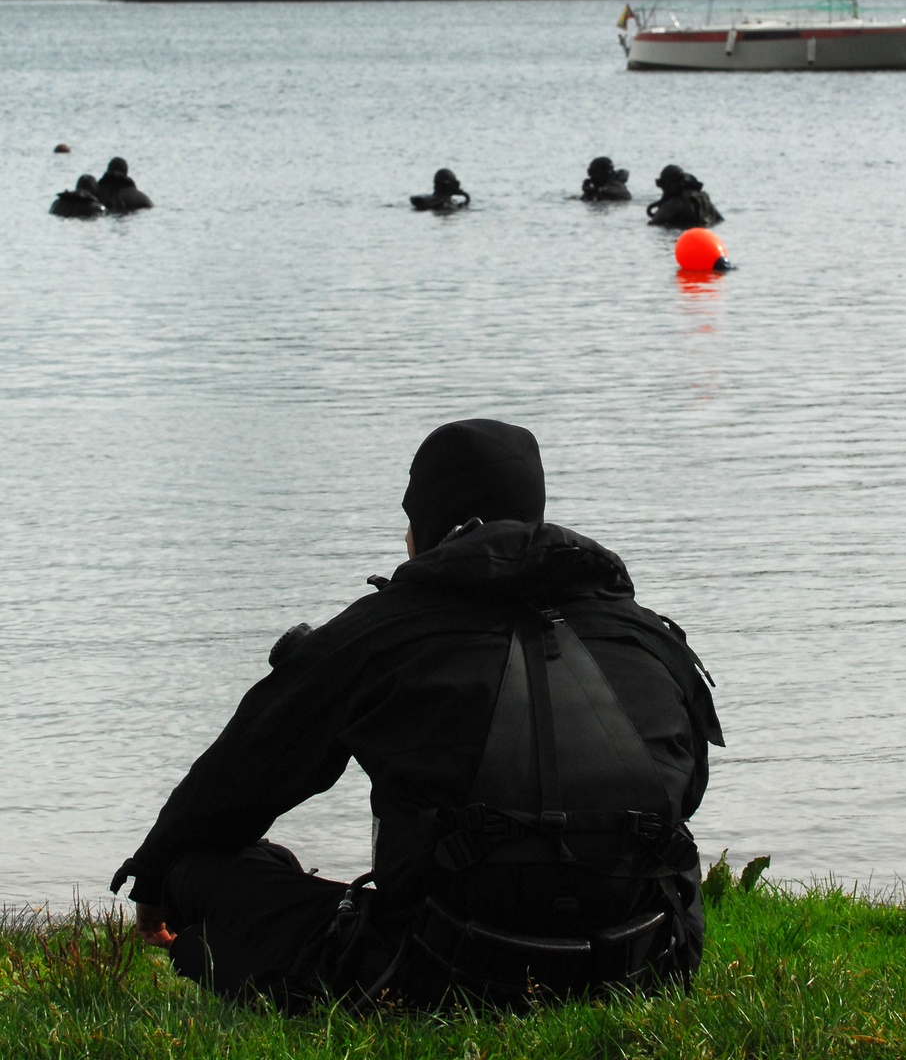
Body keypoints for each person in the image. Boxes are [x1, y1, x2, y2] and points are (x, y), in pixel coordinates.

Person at [111, 419, 722, 1010]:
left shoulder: (382, 631)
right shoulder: (645, 635)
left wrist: (160, 874)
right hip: (644, 963)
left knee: (207, 863)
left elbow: (242, 774)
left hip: (433, 971)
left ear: (427, 525)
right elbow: (685, 790)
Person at [646, 166, 723, 229]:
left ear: (669, 184)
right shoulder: (701, 197)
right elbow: (720, 220)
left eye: (664, 186)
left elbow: (653, 224)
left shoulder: (674, 203)